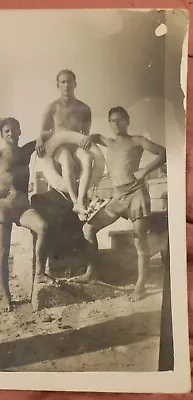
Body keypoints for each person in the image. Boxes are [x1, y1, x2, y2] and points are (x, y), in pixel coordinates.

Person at [69, 106, 166, 301]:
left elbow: (163, 152)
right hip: (117, 197)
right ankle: (91, 273)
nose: (116, 123)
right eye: (112, 120)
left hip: (136, 194)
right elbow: (96, 137)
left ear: (127, 121)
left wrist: (145, 171)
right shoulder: (109, 142)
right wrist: (90, 137)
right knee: (88, 228)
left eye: (120, 119)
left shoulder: (136, 140)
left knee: (140, 240)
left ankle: (141, 286)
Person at [0, 117, 55, 311]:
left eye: (14, 130)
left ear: (20, 131)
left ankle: (40, 273)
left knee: (43, 227)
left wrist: (41, 137)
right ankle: (7, 297)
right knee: (2, 253)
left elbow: (50, 134)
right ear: (2, 135)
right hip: (5, 207)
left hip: (24, 207)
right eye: (7, 131)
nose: (11, 134)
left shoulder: (26, 151)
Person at [36, 69, 93, 219]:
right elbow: (43, 132)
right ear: (58, 85)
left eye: (69, 81)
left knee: (88, 159)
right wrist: (39, 141)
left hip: (75, 147)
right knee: (67, 160)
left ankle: (81, 200)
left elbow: (84, 135)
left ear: (75, 84)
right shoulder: (52, 107)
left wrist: (87, 141)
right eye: (63, 82)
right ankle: (75, 202)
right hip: (58, 148)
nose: (66, 85)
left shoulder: (84, 109)